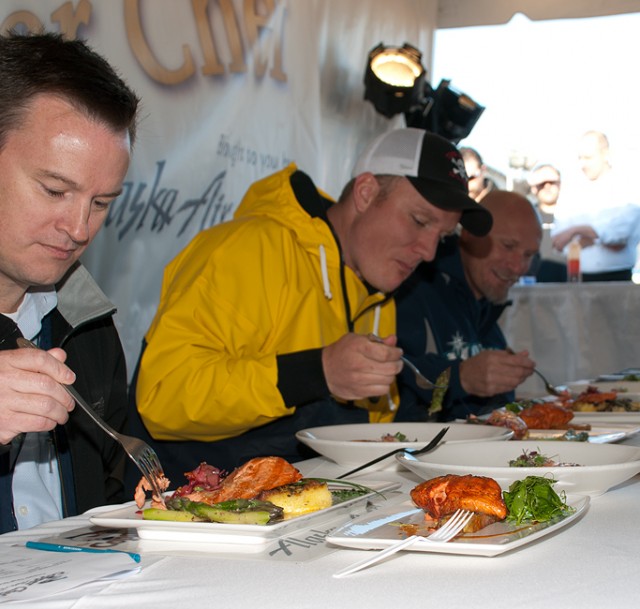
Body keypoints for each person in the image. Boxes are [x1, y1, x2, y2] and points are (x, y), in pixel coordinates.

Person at [127, 128, 492, 486]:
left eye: (441, 237)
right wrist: (317, 373)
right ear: (366, 193)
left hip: (308, 514)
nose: (428, 252)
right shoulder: (246, 249)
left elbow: (374, 437)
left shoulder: (377, 293)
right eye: (419, 220)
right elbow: (162, 396)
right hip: (194, 522)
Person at [0, 32, 140, 533]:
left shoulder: (87, 323)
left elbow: (112, 492)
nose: (79, 229)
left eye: (101, 203)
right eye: (55, 189)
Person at [395, 190, 540, 422]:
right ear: (470, 234)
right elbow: (387, 385)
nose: (517, 267)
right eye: (508, 246)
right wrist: (459, 377)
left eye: (529, 254)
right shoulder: (413, 286)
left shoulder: (486, 305)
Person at [551, 131, 639, 282]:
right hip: (578, 278)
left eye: (588, 158)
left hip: (617, 278)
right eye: (580, 158)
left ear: (605, 154)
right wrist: (599, 237)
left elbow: (618, 237)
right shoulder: (571, 192)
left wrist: (575, 231)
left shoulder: (627, 188)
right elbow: (558, 240)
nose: (582, 164)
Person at [526, 163, 567, 282]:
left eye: (552, 182)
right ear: (533, 188)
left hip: (568, 282)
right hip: (533, 283)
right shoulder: (526, 217)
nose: (547, 187)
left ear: (560, 184)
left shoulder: (574, 216)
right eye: (541, 184)